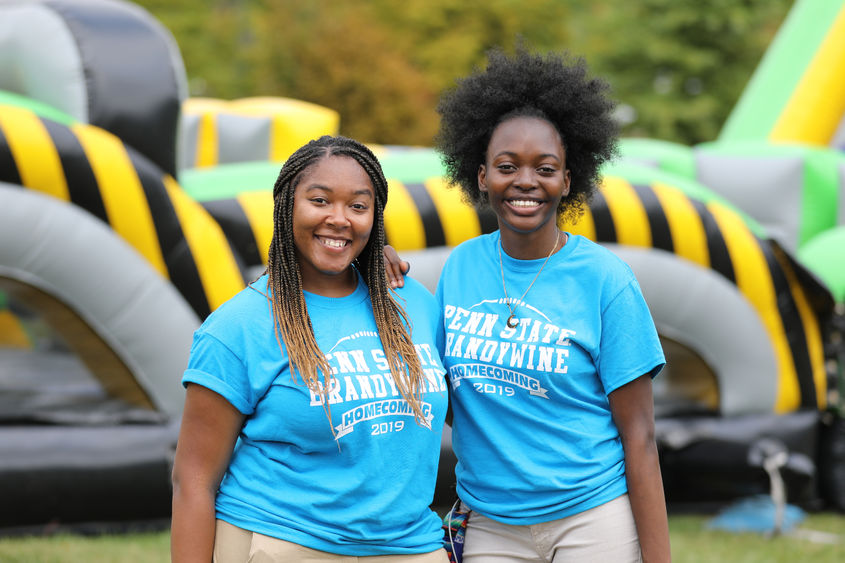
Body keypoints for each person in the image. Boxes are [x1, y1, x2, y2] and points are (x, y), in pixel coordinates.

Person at [387, 48, 670, 562]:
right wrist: (366, 261)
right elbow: (444, 390)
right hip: (491, 523)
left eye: (545, 168)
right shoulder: (461, 267)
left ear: (567, 179)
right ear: (480, 176)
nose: (525, 181)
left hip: (591, 517)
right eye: (506, 166)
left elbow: (640, 434)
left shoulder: (606, 280)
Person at [171, 135, 450, 562]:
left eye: (358, 206)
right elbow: (193, 480)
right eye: (319, 201)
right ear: (287, 206)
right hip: (281, 542)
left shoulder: (413, 303)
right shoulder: (239, 327)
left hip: (410, 546)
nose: (339, 219)